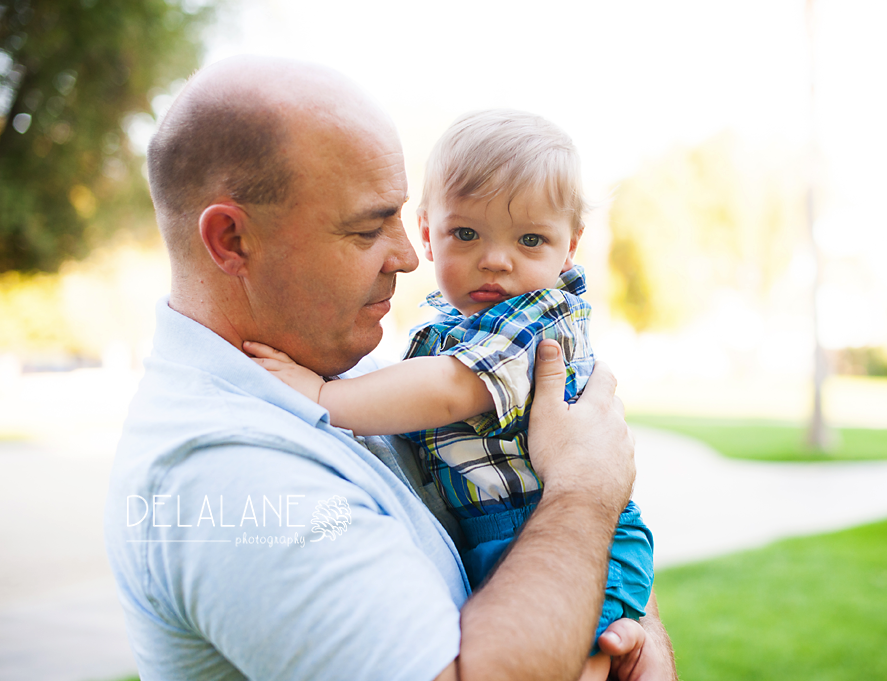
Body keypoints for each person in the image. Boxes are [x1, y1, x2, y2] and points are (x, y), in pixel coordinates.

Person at [103, 56, 676, 681]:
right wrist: (587, 490)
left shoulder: (357, 366)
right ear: (234, 241)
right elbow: (580, 505)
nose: (408, 257)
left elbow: (587, 559)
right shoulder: (224, 475)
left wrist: (636, 636)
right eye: (367, 229)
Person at [245, 110, 655, 679]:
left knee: (576, 663)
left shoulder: (538, 318)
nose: (495, 258)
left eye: (530, 239)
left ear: (569, 249)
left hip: (554, 531)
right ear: (429, 235)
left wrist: (322, 394)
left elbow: (449, 389)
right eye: (467, 233)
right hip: (503, 529)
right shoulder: (449, 319)